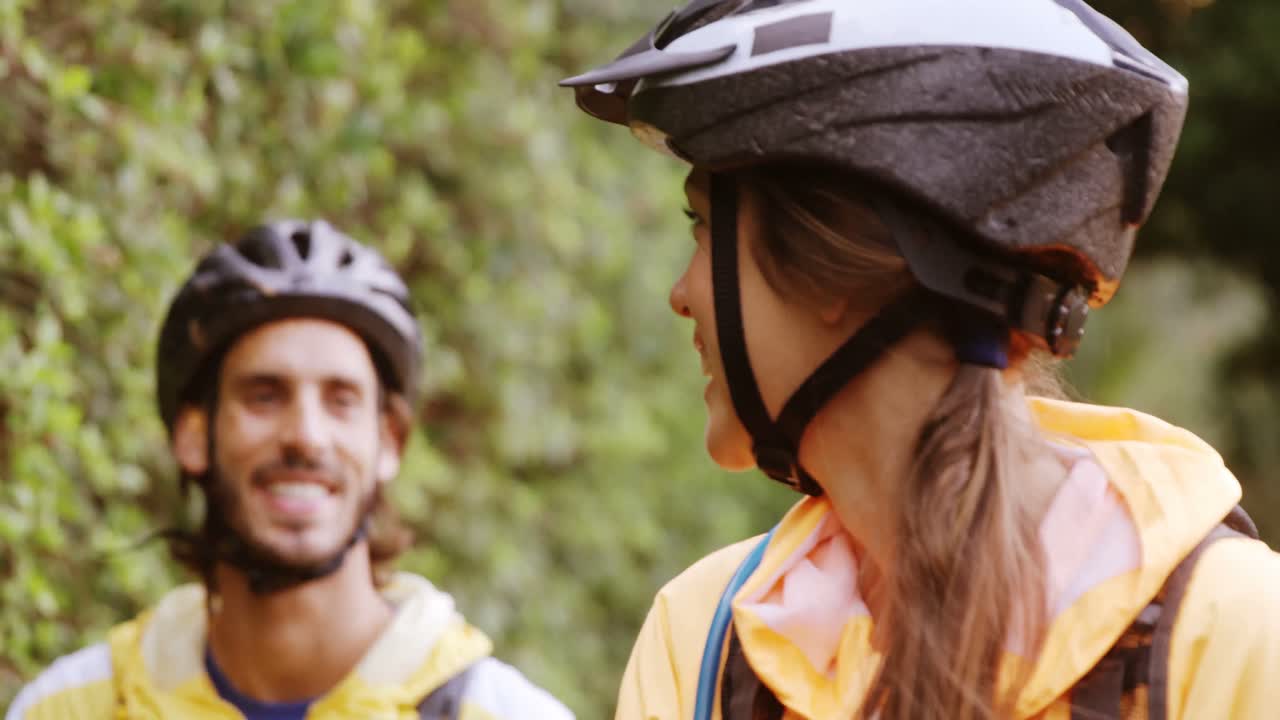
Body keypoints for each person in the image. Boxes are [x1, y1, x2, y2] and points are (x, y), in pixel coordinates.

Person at [560, 0, 1280, 718]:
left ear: (833, 273)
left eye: (705, 226)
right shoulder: (707, 642)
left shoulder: (1234, 636)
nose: (680, 295)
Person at [6, 220, 574, 720]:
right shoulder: (70, 709)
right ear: (193, 435)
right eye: (264, 395)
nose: (305, 435)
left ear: (389, 441)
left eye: (341, 399)